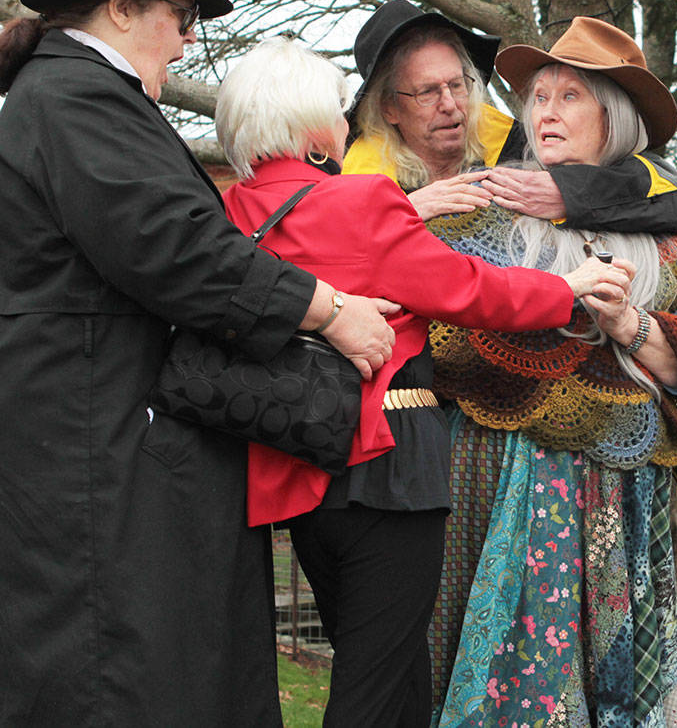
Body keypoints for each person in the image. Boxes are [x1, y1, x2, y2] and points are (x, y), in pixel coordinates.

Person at [0, 0, 396, 725]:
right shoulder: (76, 98)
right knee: (126, 681)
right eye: (180, 17)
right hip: (101, 465)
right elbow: (178, 248)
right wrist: (329, 311)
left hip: (107, 444)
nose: (184, 43)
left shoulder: (70, 97)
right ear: (119, 9)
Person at [214, 36, 631, 726]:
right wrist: (569, 287)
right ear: (314, 126)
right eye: (338, 110)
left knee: (399, 674)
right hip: (389, 469)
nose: (349, 123)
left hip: (297, 474)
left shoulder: (233, 215)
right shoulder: (357, 202)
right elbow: (468, 289)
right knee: (373, 687)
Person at [424, 16, 677, 726]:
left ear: (613, 121)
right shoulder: (481, 205)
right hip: (496, 483)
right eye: (539, 97)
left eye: (570, 97)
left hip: (625, 502)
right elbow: (442, 337)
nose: (546, 111)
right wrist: (553, 315)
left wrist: (630, 326)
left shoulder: (666, 244)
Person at [342, 0, 677, 233]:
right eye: (427, 92)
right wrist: (402, 213)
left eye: (458, 84)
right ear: (389, 109)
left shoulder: (516, 140)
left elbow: (669, 198)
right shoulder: (349, 177)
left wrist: (568, 194)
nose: (449, 103)